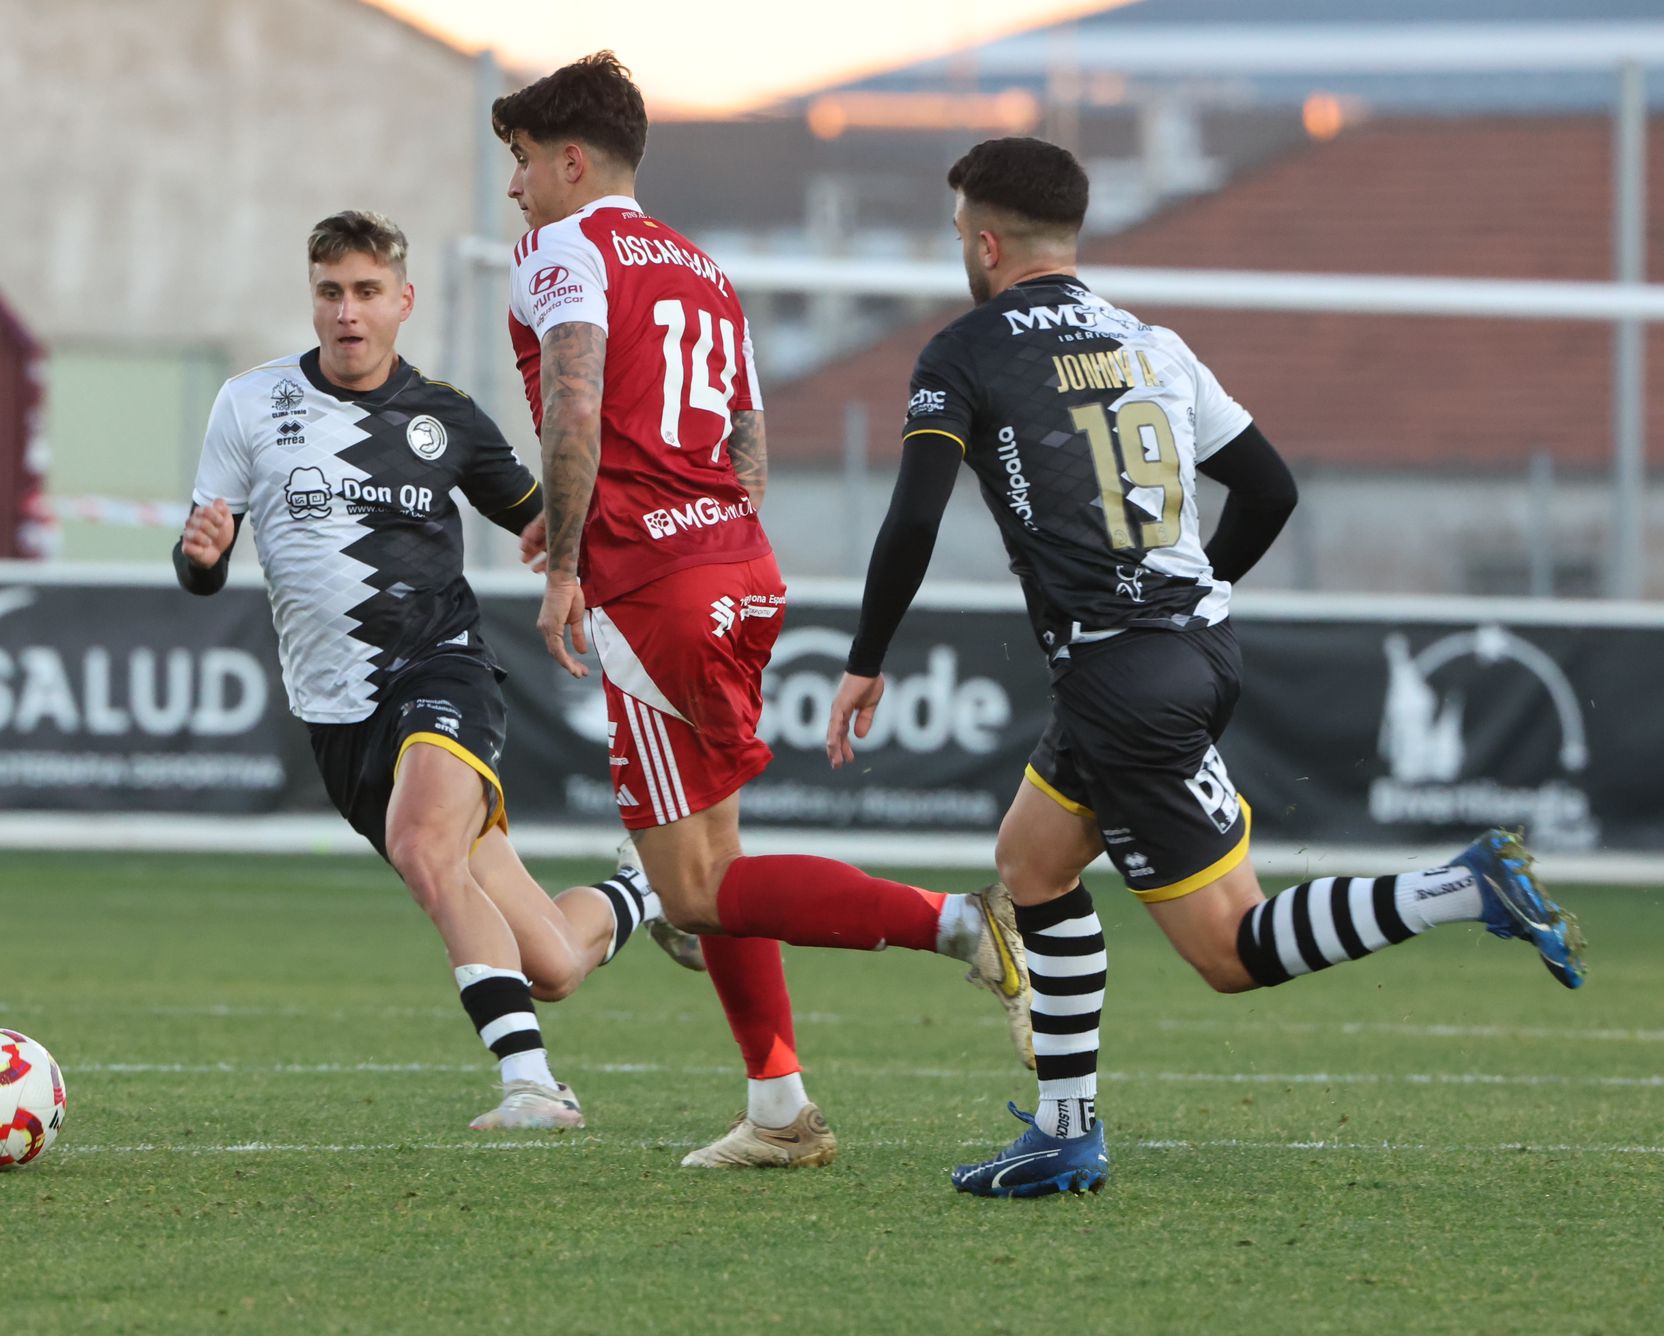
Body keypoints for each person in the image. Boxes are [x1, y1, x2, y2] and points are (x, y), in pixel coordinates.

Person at [823, 137, 1587, 1199]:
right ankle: (1064, 1130)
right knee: (1032, 860)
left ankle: (1458, 886)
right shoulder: (1152, 344)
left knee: (1227, 952)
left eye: (959, 233)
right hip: (1182, 651)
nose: (960, 248)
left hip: (1120, 679)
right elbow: (1267, 489)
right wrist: (1179, 605)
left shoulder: (964, 350)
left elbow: (911, 512)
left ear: (985, 241)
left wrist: (866, 658)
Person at [493, 53, 1035, 1172]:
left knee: (685, 894)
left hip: (655, 590)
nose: (513, 188)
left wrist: (570, 561)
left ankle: (958, 924)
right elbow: (741, 441)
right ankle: (780, 1108)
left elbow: (579, 397)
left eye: (521, 162)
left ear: (571, 159)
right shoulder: (700, 267)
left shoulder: (561, 247)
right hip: (736, 564)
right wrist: (617, 520)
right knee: (717, 862)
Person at [175, 209, 701, 1133]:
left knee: (425, 846)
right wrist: (205, 553)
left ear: (402, 302)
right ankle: (644, 889)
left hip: (440, 670)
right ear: (313, 301)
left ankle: (533, 1086)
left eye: (367, 292)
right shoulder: (248, 405)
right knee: (554, 964)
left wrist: (591, 569)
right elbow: (199, 567)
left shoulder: (444, 418)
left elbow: (547, 518)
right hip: (337, 719)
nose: (348, 312)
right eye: (331, 293)